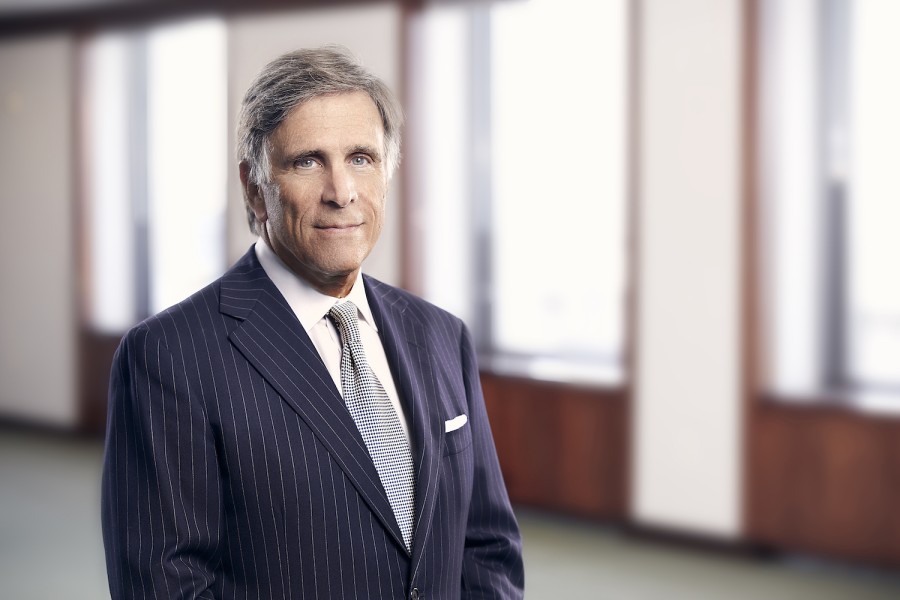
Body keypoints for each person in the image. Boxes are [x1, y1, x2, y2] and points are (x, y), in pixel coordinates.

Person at [101, 45, 524, 599]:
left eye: (361, 159)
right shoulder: (168, 356)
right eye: (307, 161)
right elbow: (165, 588)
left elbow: (486, 545)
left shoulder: (441, 335)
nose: (342, 192)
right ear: (255, 185)